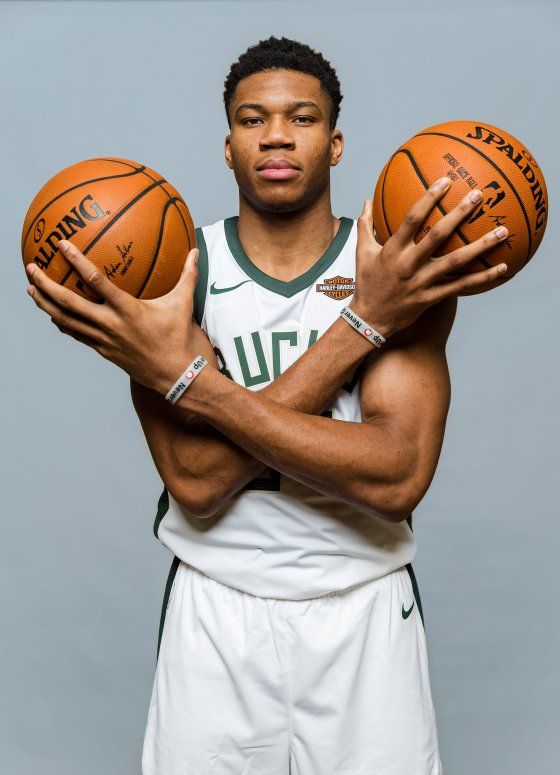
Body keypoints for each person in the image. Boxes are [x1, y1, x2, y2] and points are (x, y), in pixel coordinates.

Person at [25, 35, 508, 775]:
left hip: (363, 606)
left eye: (302, 117)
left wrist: (199, 384)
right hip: (218, 610)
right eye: (252, 119)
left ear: (336, 142)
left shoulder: (395, 270)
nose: (276, 134)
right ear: (227, 147)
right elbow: (195, 480)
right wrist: (364, 327)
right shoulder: (171, 270)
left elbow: (397, 476)